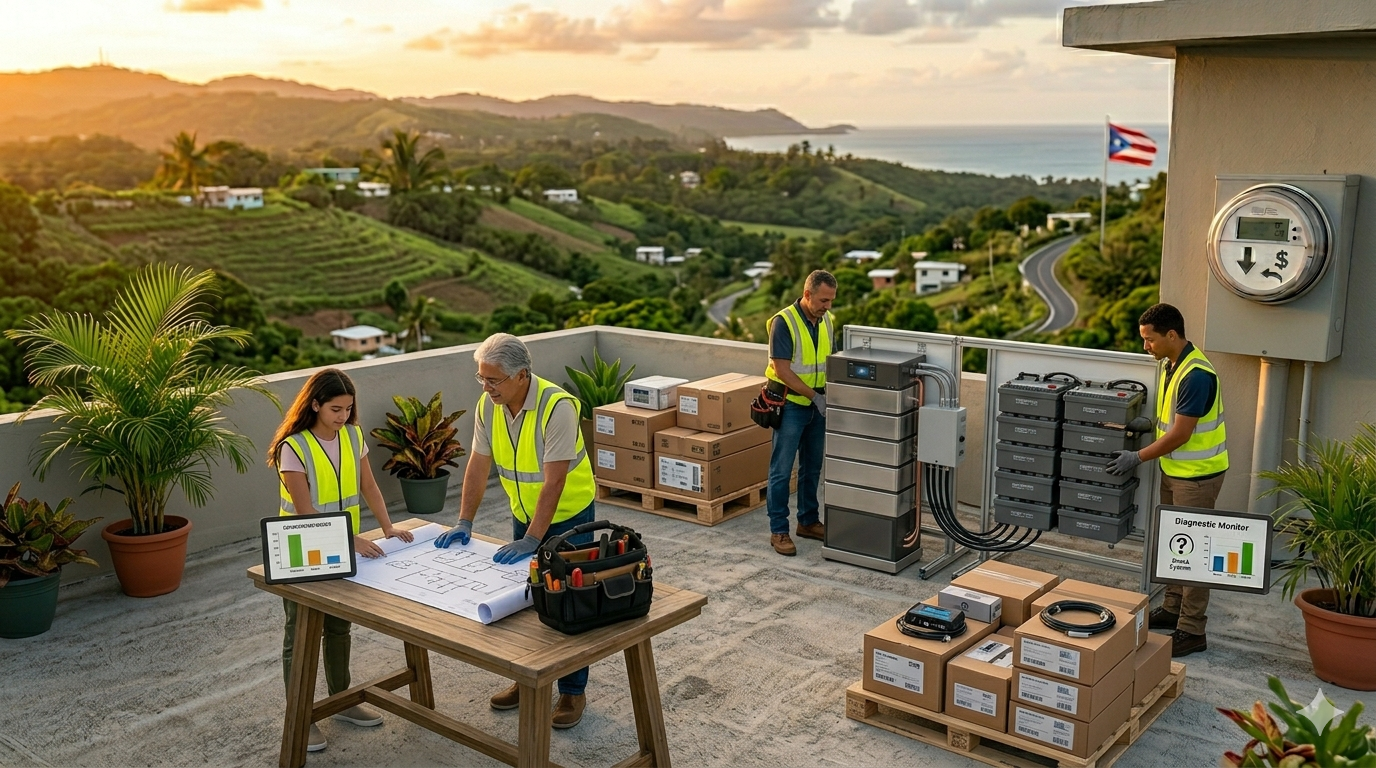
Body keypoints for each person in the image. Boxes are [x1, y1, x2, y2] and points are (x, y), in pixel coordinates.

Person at [433, 333, 597, 729]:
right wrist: (465, 520)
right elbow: (478, 464)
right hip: (524, 515)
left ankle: (572, 691)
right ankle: (527, 680)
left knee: (570, 603)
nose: (486, 387)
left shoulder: (557, 407)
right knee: (527, 602)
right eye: (481, 378)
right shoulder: (489, 407)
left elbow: (555, 481)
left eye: (493, 380)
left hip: (570, 517)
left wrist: (533, 539)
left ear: (521, 375)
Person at [269, 368, 414, 753]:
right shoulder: (293, 447)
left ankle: (341, 701)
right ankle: (301, 717)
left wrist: (387, 527)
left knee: (338, 627)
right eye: (336, 409)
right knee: (300, 633)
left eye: (348, 409)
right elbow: (305, 511)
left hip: (341, 550)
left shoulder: (352, 436)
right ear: (315, 404)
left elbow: (369, 485)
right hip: (300, 550)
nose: (343, 416)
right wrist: (352, 540)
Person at [1107, 303, 1228, 658]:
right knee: (1176, 545)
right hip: (1175, 472)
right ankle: (1173, 607)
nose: (1146, 346)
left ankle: (1192, 629)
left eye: (1150, 339)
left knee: (1196, 552)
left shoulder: (1196, 375)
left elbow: (1181, 434)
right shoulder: (1171, 364)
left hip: (1197, 478)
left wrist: (1137, 457)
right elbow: (1169, 421)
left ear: (1171, 335)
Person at [763, 269, 837, 557]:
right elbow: (782, 369)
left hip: (818, 406)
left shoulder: (827, 320)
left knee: (812, 467)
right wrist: (815, 397)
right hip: (792, 405)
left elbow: (832, 360)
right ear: (807, 294)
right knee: (781, 470)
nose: (827, 306)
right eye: (823, 300)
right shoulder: (784, 322)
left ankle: (807, 521)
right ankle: (779, 530)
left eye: (831, 300)